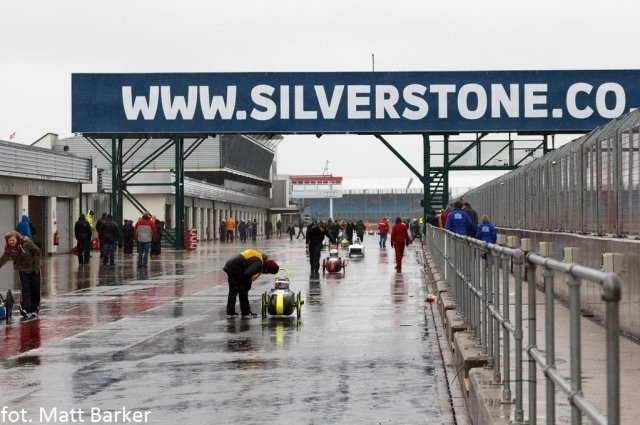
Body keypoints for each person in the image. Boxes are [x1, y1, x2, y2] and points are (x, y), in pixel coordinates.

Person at [223, 249, 279, 318]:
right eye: (268, 272)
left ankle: (231, 313)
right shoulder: (258, 263)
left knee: (234, 291)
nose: (266, 273)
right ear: (267, 269)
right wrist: (247, 284)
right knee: (242, 291)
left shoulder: (260, 258)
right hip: (235, 267)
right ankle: (245, 312)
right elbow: (247, 273)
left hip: (231, 265)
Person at [0, 231, 42, 319]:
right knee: (25, 289)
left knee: (35, 289)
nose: (11, 242)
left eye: (13, 240)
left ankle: (34, 309)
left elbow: (37, 252)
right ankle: (25, 309)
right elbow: (3, 259)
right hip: (23, 270)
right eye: (9, 240)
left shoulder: (27, 243)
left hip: (34, 269)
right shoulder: (9, 250)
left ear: (17, 239)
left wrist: (37, 266)